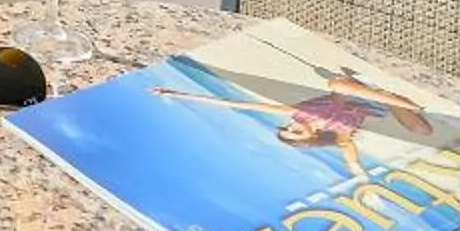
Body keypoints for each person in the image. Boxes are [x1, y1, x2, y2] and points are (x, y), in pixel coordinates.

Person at [153, 66, 435, 178]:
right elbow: (351, 158)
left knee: (337, 84)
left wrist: (178, 93)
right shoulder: (339, 136)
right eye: (293, 134)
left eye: (286, 130)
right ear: (308, 140)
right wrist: (360, 175)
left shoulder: (296, 112)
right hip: (375, 102)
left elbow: (237, 104)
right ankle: (388, 96)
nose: (290, 127)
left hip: (347, 88)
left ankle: (396, 98)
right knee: (422, 130)